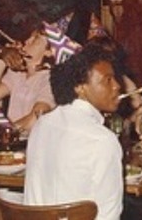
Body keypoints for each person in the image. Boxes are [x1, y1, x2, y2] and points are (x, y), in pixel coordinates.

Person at [25, 45, 123, 220]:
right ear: (80, 88)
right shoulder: (102, 140)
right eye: (107, 80)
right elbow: (109, 215)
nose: (117, 86)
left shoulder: (41, 125)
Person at [0, 24, 55, 134]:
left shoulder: (50, 79)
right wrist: (3, 60)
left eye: (35, 39)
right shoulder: (18, 73)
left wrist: (5, 134)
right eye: (30, 37)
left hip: (32, 140)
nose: (27, 41)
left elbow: (36, 117)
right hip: (13, 136)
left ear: (48, 52)